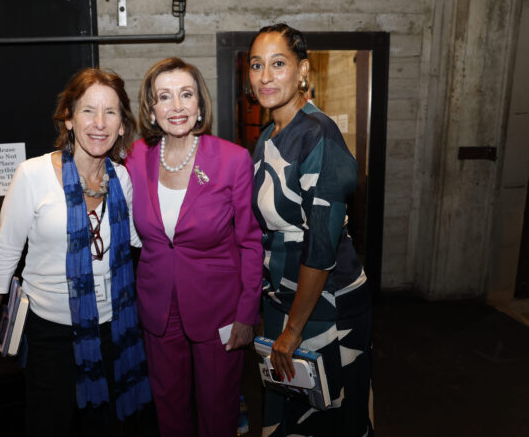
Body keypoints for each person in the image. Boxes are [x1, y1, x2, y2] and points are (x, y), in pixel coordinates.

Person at [0, 69, 152, 436]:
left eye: (111, 112)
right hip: (49, 333)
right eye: (88, 111)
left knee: (107, 425)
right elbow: (6, 249)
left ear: (123, 125)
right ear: (69, 118)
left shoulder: (121, 179)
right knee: (50, 423)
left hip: (113, 327)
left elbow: (139, 241)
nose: (99, 124)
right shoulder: (33, 174)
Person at [125, 57, 263, 437]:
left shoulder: (233, 160)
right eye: (164, 97)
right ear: (151, 110)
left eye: (186, 95)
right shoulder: (137, 157)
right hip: (158, 306)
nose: (177, 106)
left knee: (219, 410)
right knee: (169, 408)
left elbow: (250, 242)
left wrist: (247, 314)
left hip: (219, 308)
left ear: (200, 104)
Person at [248, 23, 373, 436]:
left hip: (324, 302)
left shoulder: (319, 134)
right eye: (256, 65)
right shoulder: (268, 135)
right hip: (285, 297)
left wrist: (294, 329)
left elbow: (321, 247)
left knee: (327, 416)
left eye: (278, 64)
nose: (265, 77)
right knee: (288, 413)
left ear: (302, 70)